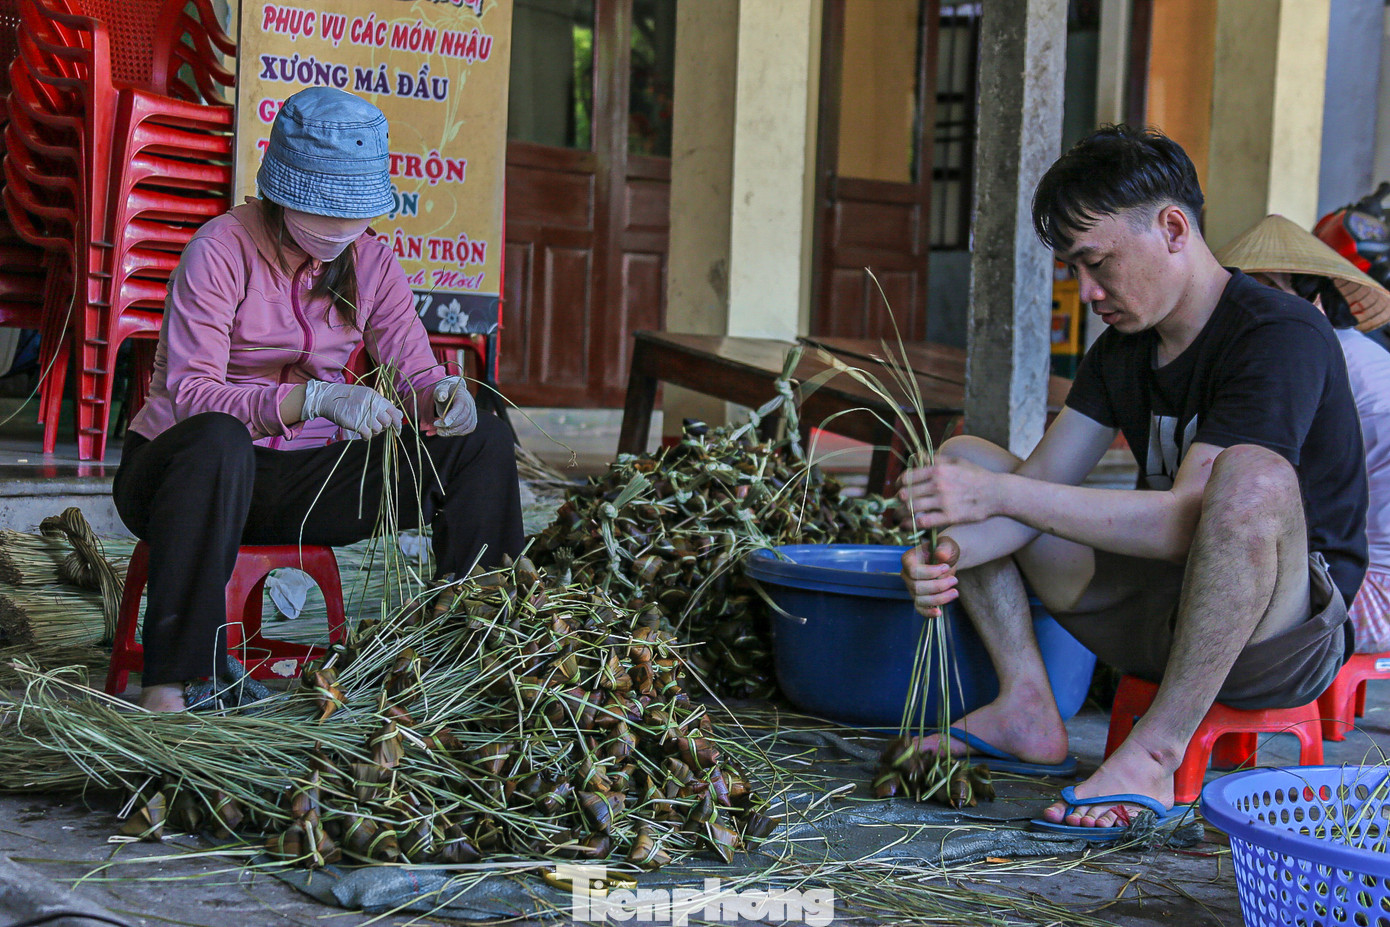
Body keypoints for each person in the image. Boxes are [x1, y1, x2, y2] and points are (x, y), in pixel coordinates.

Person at [898, 125, 1367, 834]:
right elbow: (1033, 489)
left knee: (1250, 477)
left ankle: (1155, 749)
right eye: (1073, 270)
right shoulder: (1122, 350)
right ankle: (1027, 705)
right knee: (964, 457)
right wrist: (948, 551)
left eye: (1098, 263)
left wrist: (998, 500)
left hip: (1278, 635)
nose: (1087, 292)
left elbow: (1186, 518)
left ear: (1173, 228)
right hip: (1163, 614)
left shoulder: (1280, 332)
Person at [114, 87, 524, 712]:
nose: (338, 231)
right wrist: (311, 400)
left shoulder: (373, 263)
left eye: (351, 215)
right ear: (283, 194)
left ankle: (475, 655)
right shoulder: (219, 251)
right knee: (220, 440)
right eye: (322, 211)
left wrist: (444, 397)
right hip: (183, 480)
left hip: (296, 483)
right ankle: (173, 684)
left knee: (483, 440)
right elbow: (193, 396)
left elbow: (413, 371)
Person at [1216, 214, 1390, 654]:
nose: (1248, 306)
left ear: (1312, 301)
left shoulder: (1307, 358)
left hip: (1371, 598)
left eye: (1267, 291)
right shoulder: (1354, 351)